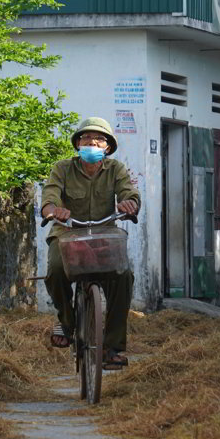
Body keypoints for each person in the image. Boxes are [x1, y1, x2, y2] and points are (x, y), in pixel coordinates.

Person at [40, 117, 140, 370]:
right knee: (55, 271)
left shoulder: (116, 169)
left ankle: (112, 346)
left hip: (104, 236)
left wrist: (130, 203)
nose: (92, 142)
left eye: (99, 139)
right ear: (77, 144)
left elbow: (128, 191)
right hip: (67, 234)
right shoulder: (62, 168)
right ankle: (66, 321)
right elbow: (50, 193)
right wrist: (53, 209)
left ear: (108, 147)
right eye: (86, 138)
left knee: (123, 277)